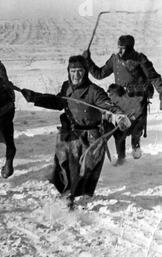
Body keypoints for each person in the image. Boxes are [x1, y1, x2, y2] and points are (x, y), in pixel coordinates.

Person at [21, 55, 131, 209]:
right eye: (73, 71)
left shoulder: (94, 91)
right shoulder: (66, 87)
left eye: (80, 71)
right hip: (70, 134)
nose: (76, 75)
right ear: (68, 72)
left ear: (85, 72)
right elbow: (58, 102)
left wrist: (118, 116)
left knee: (85, 170)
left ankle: (77, 193)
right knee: (65, 166)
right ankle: (68, 196)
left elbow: (108, 106)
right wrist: (35, 97)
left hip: (91, 137)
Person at [83, 35, 162, 163]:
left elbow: (154, 77)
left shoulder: (140, 59)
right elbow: (99, 74)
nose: (119, 51)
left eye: (123, 49)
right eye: (118, 48)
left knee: (136, 128)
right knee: (119, 131)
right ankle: (121, 159)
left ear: (130, 49)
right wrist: (88, 61)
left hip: (136, 101)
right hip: (119, 100)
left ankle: (136, 144)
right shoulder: (114, 59)